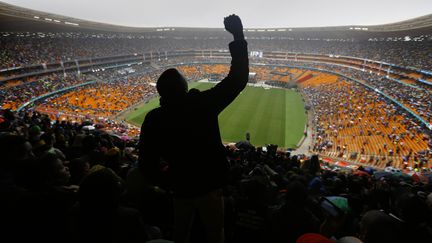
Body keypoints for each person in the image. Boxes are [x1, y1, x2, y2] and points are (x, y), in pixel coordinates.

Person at [139, 14, 248, 243]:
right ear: (183, 87)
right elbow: (237, 79)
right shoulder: (201, 105)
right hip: (209, 186)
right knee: (215, 233)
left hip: (181, 188)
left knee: (181, 234)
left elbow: (146, 166)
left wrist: (170, 181)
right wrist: (238, 35)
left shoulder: (153, 119)